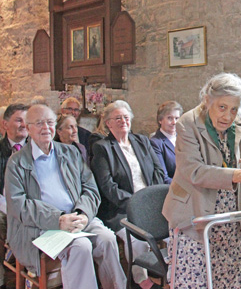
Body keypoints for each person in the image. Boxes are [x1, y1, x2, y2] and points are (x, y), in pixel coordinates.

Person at [5, 104, 126, 289]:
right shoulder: (17, 162)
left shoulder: (70, 152)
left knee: (107, 240)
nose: (46, 128)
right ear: (28, 128)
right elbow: (17, 205)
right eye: (39, 123)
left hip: (77, 218)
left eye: (49, 122)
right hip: (40, 226)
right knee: (81, 246)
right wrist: (58, 220)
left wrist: (83, 213)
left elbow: (91, 188)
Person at [162, 73, 241, 288]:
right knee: (196, 282)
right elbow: (194, 171)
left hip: (233, 222)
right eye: (222, 107)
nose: (228, 116)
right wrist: (235, 175)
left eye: (234, 109)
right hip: (196, 218)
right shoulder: (187, 123)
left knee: (232, 283)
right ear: (207, 100)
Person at [91, 100, 165, 289]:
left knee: (176, 233)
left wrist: (151, 200)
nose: (123, 121)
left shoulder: (142, 141)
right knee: (138, 240)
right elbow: (108, 187)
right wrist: (136, 204)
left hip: (151, 204)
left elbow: (158, 172)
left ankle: (171, 274)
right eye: (117, 118)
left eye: (126, 117)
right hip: (122, 209)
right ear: (108, 123)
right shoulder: (102, 147)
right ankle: (141, 280)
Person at [0, 103, 29, 289]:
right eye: (18, 120)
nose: (24, 124)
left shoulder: (37, 149)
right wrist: (12, 209)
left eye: (27, 120)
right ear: (5, 124)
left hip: (32, 205)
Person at [150, 101, 183, 184]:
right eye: (169, 118)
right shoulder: (155, 143)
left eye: (177, 118)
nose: (174, 122)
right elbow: (163, 178)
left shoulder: (184, 138)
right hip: (173, 189)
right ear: (160, 120)